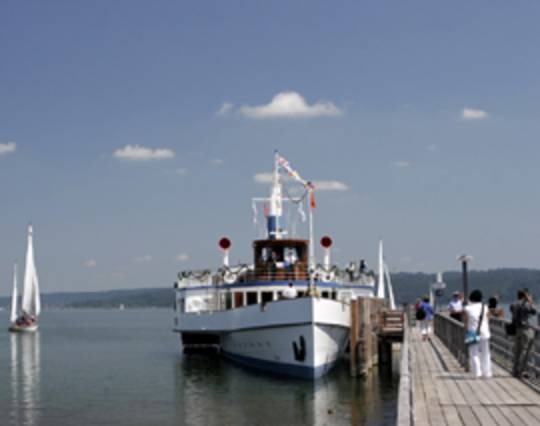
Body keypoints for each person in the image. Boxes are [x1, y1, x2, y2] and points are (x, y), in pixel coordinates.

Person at [464, 289, 492, 378]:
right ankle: (487, 373)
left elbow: (465, 321)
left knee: (473, 353)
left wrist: (466, 330)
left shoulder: (467, 308)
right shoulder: (485, 307)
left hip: (472, 332)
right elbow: (488, 318)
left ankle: (477, 372)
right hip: (484, 332)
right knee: (486, 352)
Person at [510, 289, 537, 378]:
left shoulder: (513, 304)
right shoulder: (526, 305)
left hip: (516, 329)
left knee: (517, 350)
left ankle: (515, 370)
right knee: (525, 351)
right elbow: (534, 311)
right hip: (525, 329)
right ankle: (521, 371)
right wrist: (530, 301)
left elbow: (512, 311)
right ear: (525, 296)